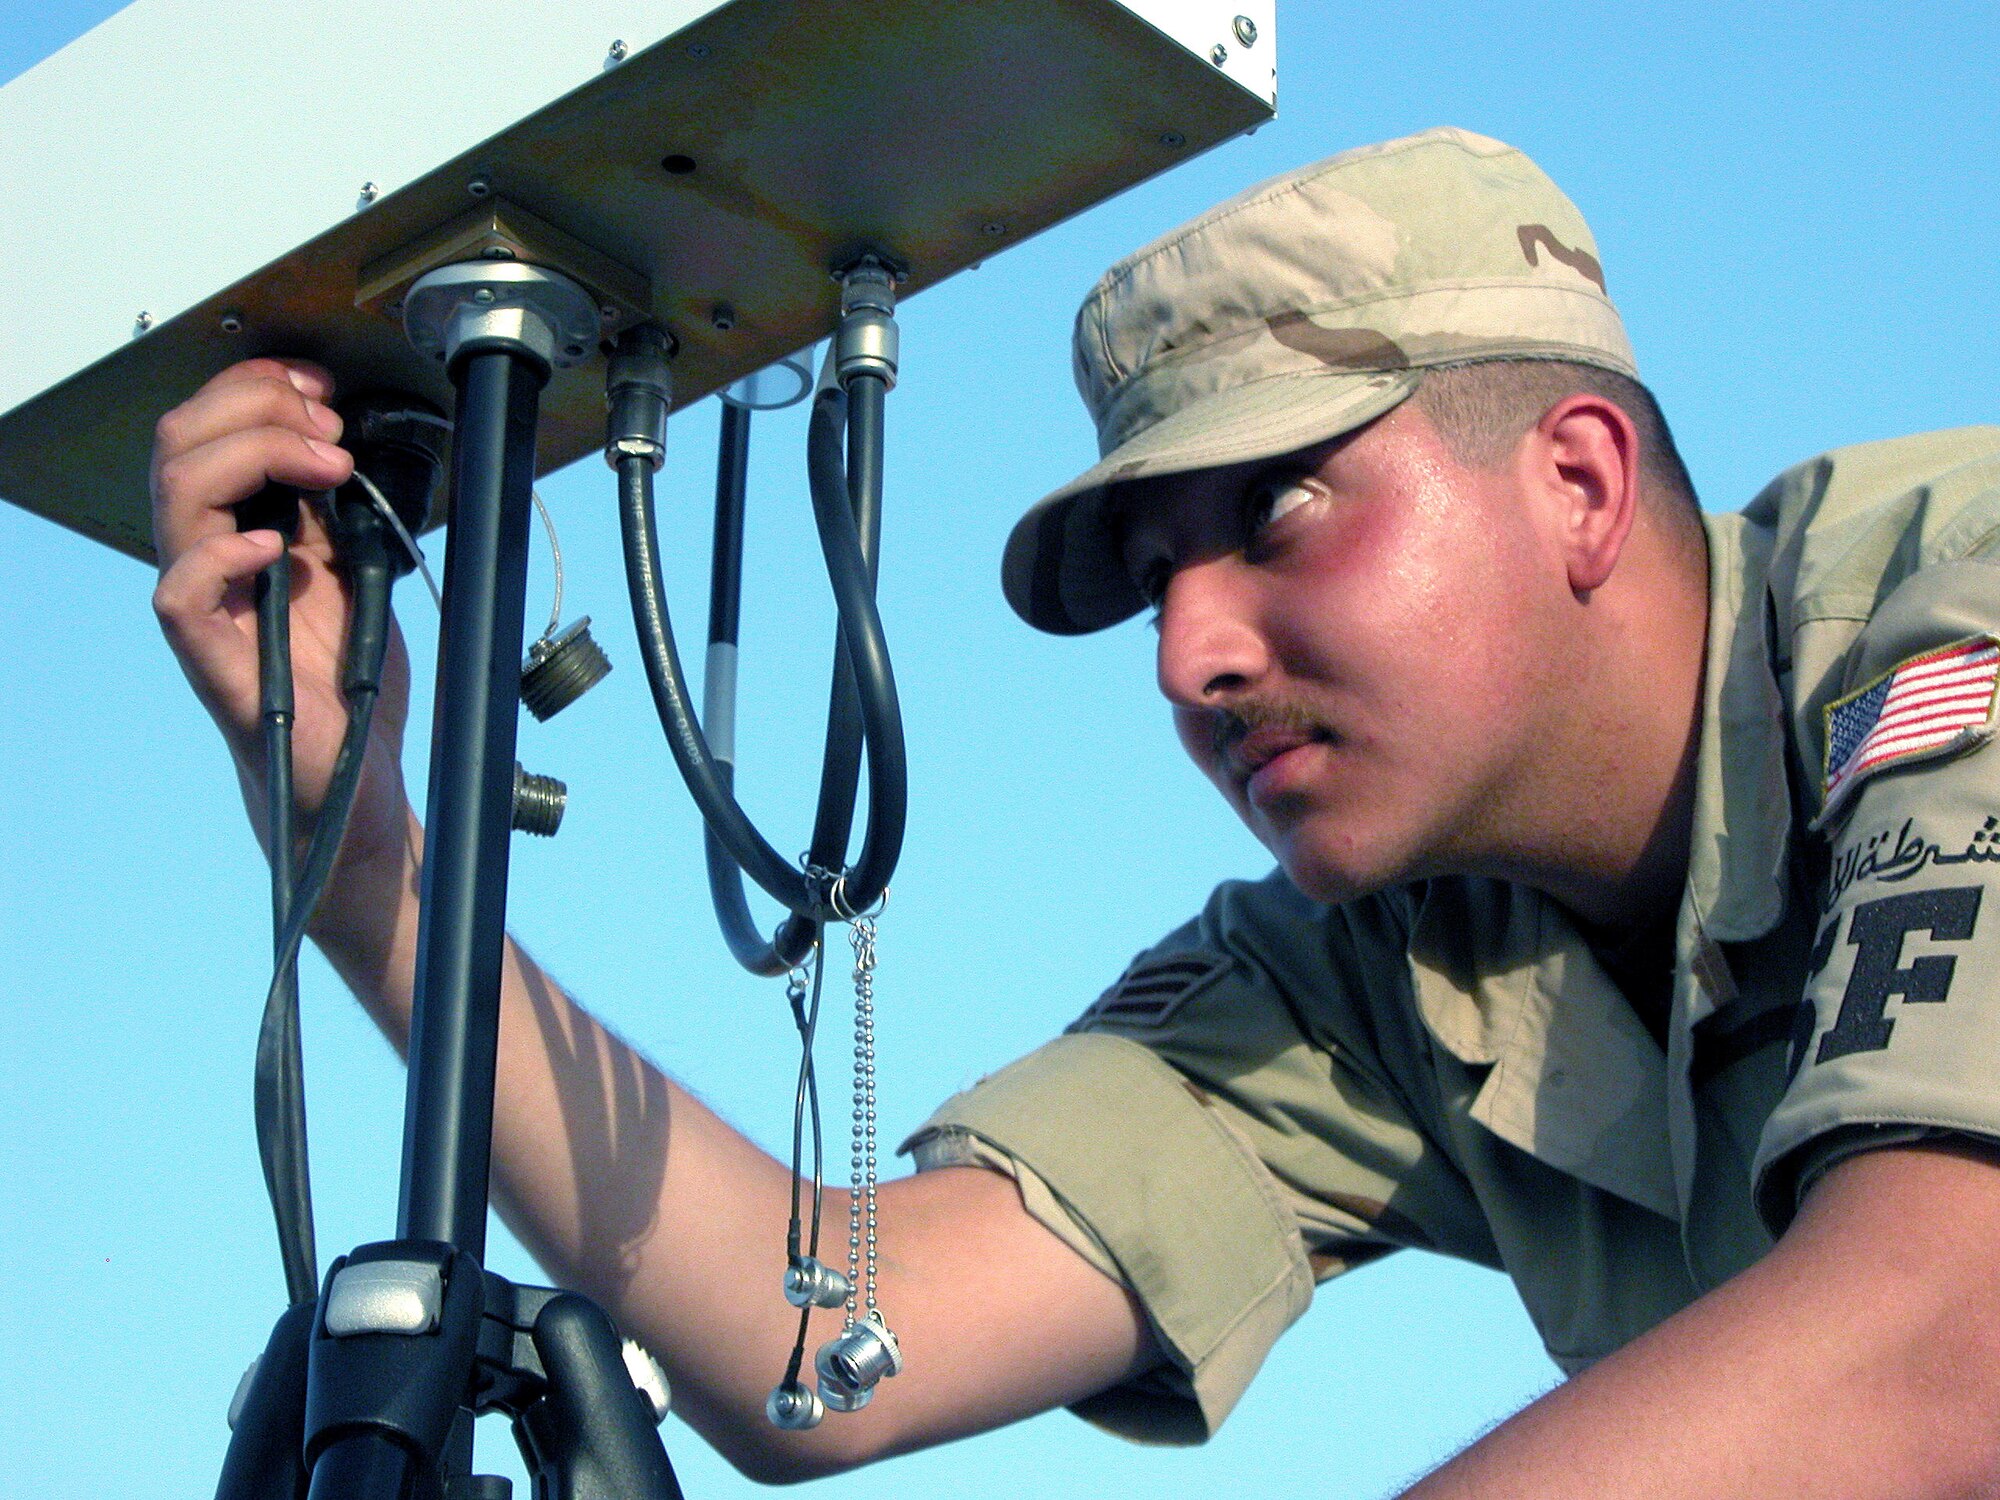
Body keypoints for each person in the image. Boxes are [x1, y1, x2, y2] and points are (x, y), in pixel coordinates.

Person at [151, 126, 2000, 1496]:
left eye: (1277, 512)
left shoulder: (1948, 603)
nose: (1191, 653)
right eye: (1150, 575)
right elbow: (832, 1347)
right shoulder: (1384, 960)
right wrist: (369, 861)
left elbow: (1944, 1342)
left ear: (1581, 483)